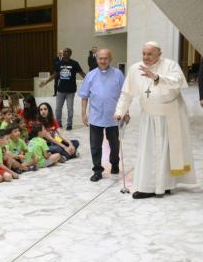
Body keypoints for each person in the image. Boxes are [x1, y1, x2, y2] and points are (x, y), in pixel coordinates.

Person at [114, 41, 196, 198]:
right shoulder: (135, 69)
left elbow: (177, 82)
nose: (146, 57)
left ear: (159, 53)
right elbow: (127, 93)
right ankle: (147, 187)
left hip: (170, 116)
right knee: (149, 151)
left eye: (150, 54)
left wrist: (157, 78)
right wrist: (120, 111)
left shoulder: (170, 65)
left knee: (168, 152)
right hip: (149, 117)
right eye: (144, 53)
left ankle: (166, 185)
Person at [78, 48, 124, 182]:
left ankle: (114, 162)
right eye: (100, 58)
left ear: (110, 59)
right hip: (96, 117)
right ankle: (97, 170)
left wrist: (125, 112)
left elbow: (124, 95)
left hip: (114, 117)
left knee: (114, 144)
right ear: (96, 59)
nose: (103, 61)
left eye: (106, 58)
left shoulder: (118, 74)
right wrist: (83, 114)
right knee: (95, 145)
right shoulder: (90, 75)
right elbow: (84, 96)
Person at [40, 47, 86, 130]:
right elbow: (54, 75)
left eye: (66, 52)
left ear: (70, 53)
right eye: (63, 52)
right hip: (60, 90)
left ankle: (69, 124)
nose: (64, 53)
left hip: (70, 91)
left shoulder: (74, 63)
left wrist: (91, 80)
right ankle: (58, 123)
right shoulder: (59, 63)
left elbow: (82, 73)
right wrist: (45, 82)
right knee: (58, 109)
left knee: (70, 109)